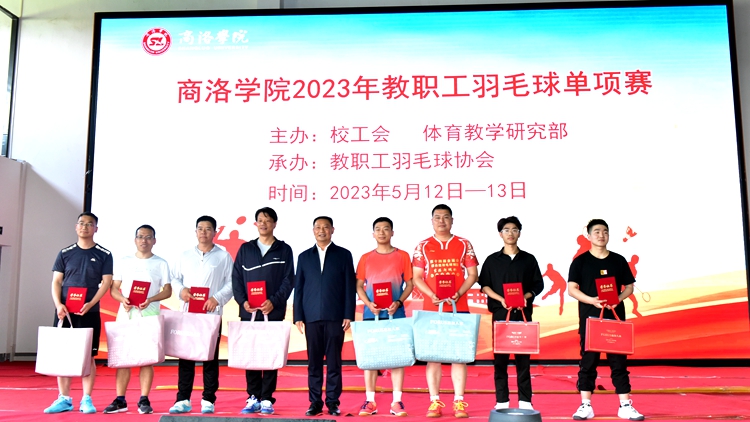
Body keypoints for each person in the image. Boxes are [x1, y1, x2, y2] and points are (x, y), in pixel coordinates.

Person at [568, 219, 644, 421]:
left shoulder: (618, 260)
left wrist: (617, 299)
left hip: (614, 320)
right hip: (590, 320)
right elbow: (571, 289)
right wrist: (592, 301)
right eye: (597, 232)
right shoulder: (580, 261)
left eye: (605, 232)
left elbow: (629, 287)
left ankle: (625, 405)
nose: (601, 235)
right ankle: (585, 405)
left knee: (619, 363)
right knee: (588, 362)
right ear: (588, 235)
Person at [412, 204, 478, 418]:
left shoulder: (464, 244)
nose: (442, 221)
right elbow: (417, 277)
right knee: (433, 357)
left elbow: (472, 274)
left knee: (459, 356)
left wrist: (459, 293)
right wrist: (431, 295)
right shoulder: (423, 246)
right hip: (432, 309)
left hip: (459, 307)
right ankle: (434, 402)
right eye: (437, 217)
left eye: (446, 217)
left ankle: (459, 401)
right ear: (432, 221)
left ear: (452, 220)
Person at [44, 212, 114, 414]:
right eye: (81, 223)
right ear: (76, 227)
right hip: (65, 312)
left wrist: (91, 303)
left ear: (96, 229)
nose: (85, 227)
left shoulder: (104, 254)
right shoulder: (65, 253)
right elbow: (57, 281)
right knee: (63, 354)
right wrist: (58, 304)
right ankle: (64, 398)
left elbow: (106, 282)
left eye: (89, 224)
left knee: (88, 356)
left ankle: (86, 399)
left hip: (89, 312)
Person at [168, 216, 234, 415]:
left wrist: (217, 298)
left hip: (211, 315)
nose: (203, 232)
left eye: (208, 229)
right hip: (188, 314)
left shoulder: (223, 257)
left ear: (215, 232)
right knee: (185, 357)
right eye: (200, 228)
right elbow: (174, 278)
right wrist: (181, 291)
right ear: (195, 231)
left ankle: (208, 399)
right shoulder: (184, 255)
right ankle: (183, 399)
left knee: (210, 358)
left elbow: (231, 283)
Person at [105, 224, 173, 414]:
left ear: (154, 241)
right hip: (126, 315)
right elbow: (114, 288)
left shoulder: (161, 263)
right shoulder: (124, 261)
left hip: (149, 315)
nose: (144, 240)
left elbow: (167, 290)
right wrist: (123, 300)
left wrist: (150, 299)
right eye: (141, 236)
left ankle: (144, 399)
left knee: (147, 359)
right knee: (123, 358)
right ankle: (120, 400)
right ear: (135, 240)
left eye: (148, 237)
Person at [232, 207, 294, 415]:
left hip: (273, 311)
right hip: (249, 311)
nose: (263, 224)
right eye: (260, 220)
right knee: (250, 354)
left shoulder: (284, 249)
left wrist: (274, 302)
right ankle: (253, 397)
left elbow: (288, 280)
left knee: (270, 355)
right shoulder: (246, 249)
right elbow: (236, 278)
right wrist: (242, 301)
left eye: (267, 220)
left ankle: (267, 398)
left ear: (274, 224)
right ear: (255, 223)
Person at [478, 216, 544, 411]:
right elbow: (484, 285)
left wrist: (526, 296)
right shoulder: (492, 260)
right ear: (500, 234)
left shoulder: (529, 259)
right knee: (500, 361)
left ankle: (525, 400)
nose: (510, 233)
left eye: (514, 229)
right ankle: (502, 401)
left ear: (519, 233)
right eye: (506, 230)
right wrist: (501, 299)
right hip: (501, 315)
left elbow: (538, 284)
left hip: (522, 314)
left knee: (523, 360)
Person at [294, 216, 356, 417]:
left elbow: (349, 286)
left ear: (332, 230)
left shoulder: (343, 255)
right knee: (313, 363)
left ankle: (333, 402)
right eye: (318, 227)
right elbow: (299, 288)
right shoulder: (304, 257)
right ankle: (315, 402)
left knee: (334, 362)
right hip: (311, 316)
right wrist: (298, 315)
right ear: (313, 230)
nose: (322, 230)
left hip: (335, 316)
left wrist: (348, 314)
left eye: (326, 227)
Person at [355, 217, 414, 417]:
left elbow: (410, 284)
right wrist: (368, 303)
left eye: (386, 229)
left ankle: (396, 401)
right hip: (371, 315)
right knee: (371, 359)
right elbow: (359, 285)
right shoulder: (365, 258)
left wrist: (398, 302)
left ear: (392, 232)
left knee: (397, 358)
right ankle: (370, 401)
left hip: (395, 314)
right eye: (378, 229)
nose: (382, 232)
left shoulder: (403, 256)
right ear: (373, 234)